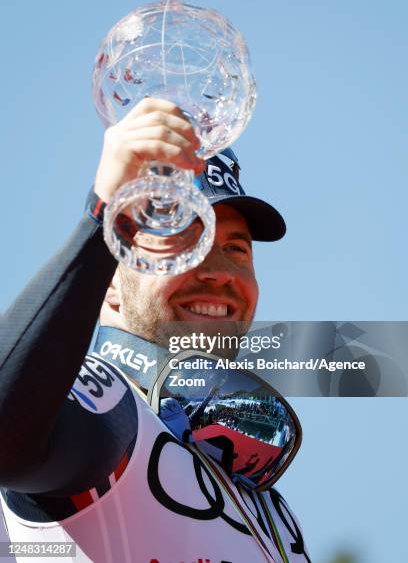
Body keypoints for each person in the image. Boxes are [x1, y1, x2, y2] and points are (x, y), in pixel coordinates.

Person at [0, 98, 311, 562]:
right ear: (108, 280)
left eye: (237, 249)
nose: (221, 272)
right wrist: (103, 212)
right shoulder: (105, 407)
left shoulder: (272, 509)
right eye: (182, 238)